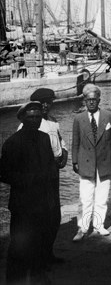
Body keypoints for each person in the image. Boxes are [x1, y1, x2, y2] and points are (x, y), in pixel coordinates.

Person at [0, 102, 60, 283]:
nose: (34, 121)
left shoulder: (44, 138)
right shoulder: (12, 142)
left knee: (40, 243)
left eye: (37, 117)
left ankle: (38, 277)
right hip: (23, 204)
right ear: (23, 119)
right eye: (30, 117)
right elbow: (4, 173)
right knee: (19, 245)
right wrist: (29, 180)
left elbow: (50, 166)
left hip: (43, 202)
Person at [20, 88, 68, 264]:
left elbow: (62, 142)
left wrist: (64, 155)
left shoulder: (53, 122)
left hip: (52, 174)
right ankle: (38, 257)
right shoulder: (30, 124)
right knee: (40, 218)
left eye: (50, 102)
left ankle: (48, 253)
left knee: (54, 216)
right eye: (43, 103)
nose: (47, 105)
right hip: (37, 177)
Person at [72, 84, 111, 241]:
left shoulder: (108, 116)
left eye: (94, 99)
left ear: (99, 100)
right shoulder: (79, 119)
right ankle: (83, 227)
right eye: (88, 100)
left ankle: (99, 225)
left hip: (104, 163)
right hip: (86, 163)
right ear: (85, 101)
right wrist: (74, 161)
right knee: (85, 198)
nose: (91, 102)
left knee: (102, 197)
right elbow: (75, 142)